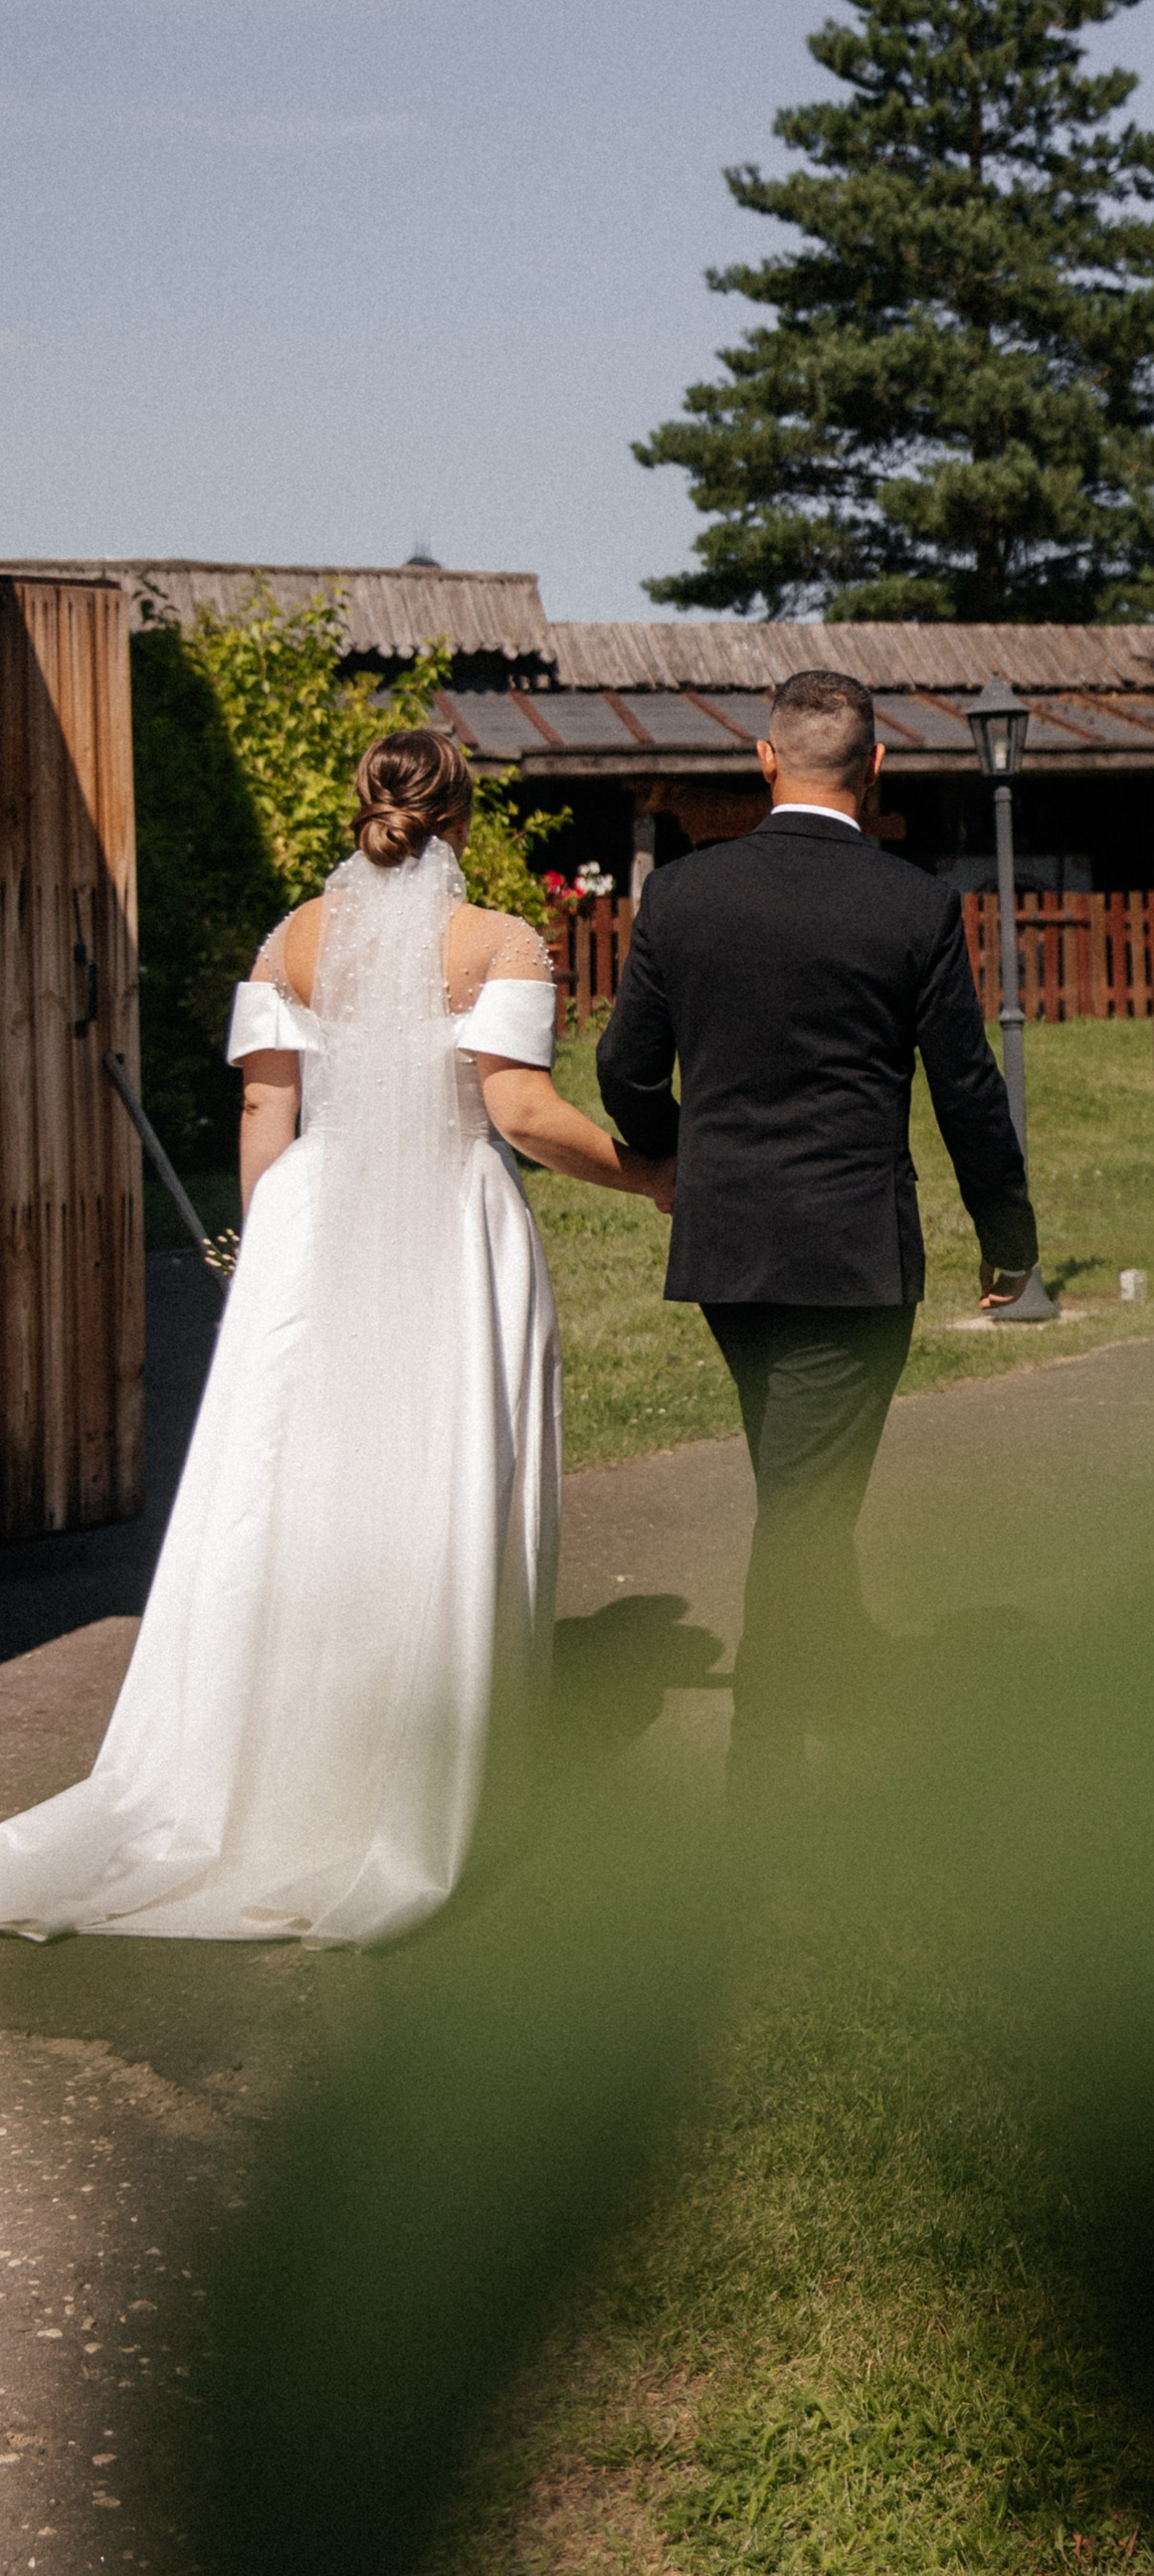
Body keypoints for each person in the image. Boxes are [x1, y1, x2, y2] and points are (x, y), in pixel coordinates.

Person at [0, 730, 672, 1944]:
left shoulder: (291, 938)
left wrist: (269, 1263)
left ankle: (257, 1753)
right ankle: (413, 1778)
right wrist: (653, 1179)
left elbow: (267, 1105)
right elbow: (518, 1113)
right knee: (436, 1474)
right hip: (447, 1222)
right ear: (459, 819)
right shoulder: (501, 943)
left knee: (297, 1490)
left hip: (310, 1219)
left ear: (366, 808)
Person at [595, 668, 1039, 1807]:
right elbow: (968, 1090)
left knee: (799, 1480)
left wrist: (665, 1156)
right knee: (804, 1503)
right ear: (876, 766)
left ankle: (831, 1682)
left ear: (764, 759)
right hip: (851, 1256)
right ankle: (765, 1766)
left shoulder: (684, 897)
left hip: (729, 1251)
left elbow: (623, 1067)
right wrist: (1008, 1243)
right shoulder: (912, 903)